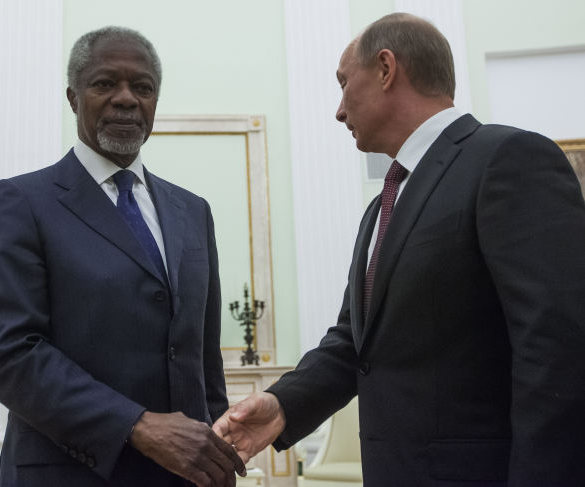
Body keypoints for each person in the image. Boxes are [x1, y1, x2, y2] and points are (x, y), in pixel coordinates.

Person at [214, 13, 585, 487]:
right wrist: (282, 406)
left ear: (387, 68)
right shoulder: (382, 206)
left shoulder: (508, 159)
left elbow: (557, 349)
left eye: (344, 83)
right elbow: (355, 344)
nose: (339, 110)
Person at [0, 26, 245, 487]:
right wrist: (135, 425)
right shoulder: (22, 201)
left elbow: (202, 358)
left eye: (142, 88)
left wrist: (218, 451)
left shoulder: (193, 211)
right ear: (73, 96)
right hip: (66, 473)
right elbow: (9, 355)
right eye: (105, 84)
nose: (126, 99)